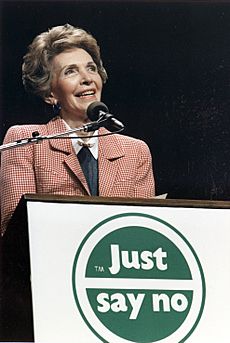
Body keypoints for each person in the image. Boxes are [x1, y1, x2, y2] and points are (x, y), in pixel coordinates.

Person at [0, 24, 155, 235]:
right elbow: (15, 227)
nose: (87, 78)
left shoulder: (135, 151)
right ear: (50, 93)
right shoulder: (27, 141)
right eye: (70, 71)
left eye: (91, 68)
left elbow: (144, 231)